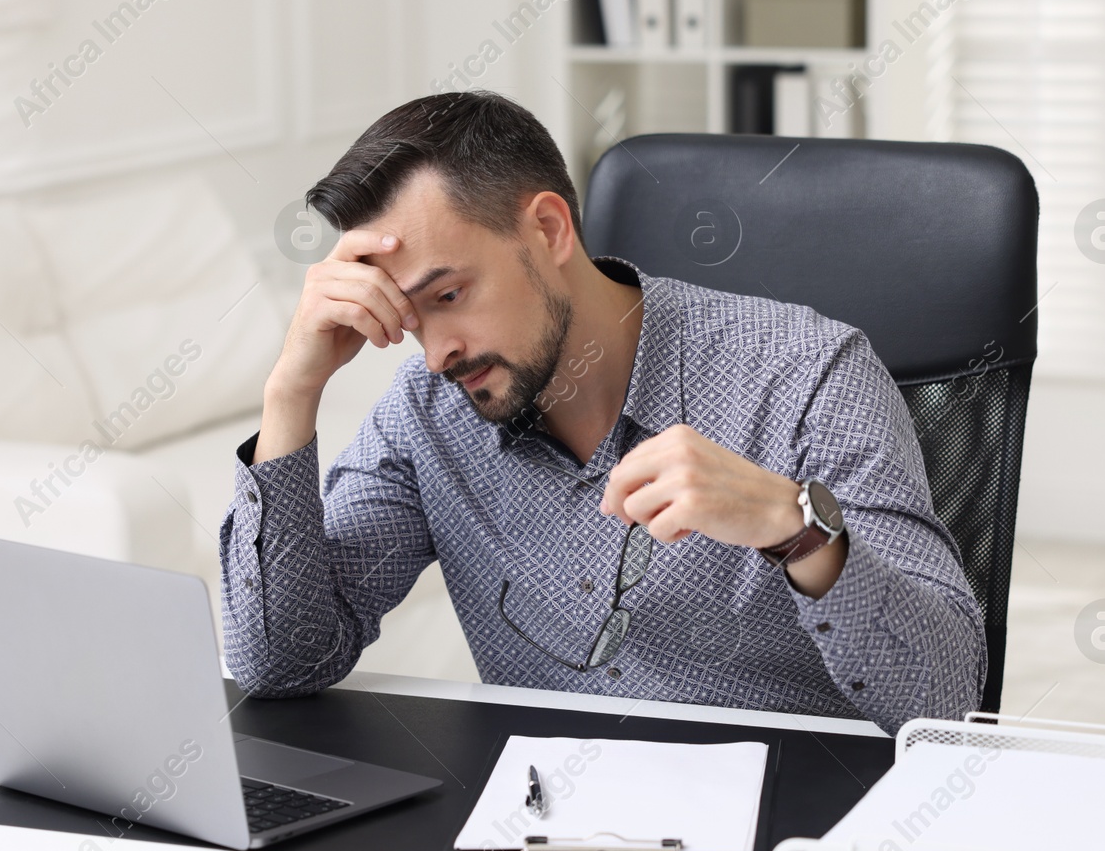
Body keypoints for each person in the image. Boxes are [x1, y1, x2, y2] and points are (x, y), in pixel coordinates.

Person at [220, 90, 984, 734]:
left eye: (449, 295)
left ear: (549, 230)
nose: (437, 352)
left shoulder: (807, 373)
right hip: (543, 844)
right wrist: (292, 392)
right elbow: (282, 662)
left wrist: (798, 529)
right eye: (411, 317)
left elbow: (945, 699)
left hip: (791, 849)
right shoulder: (429, 414)